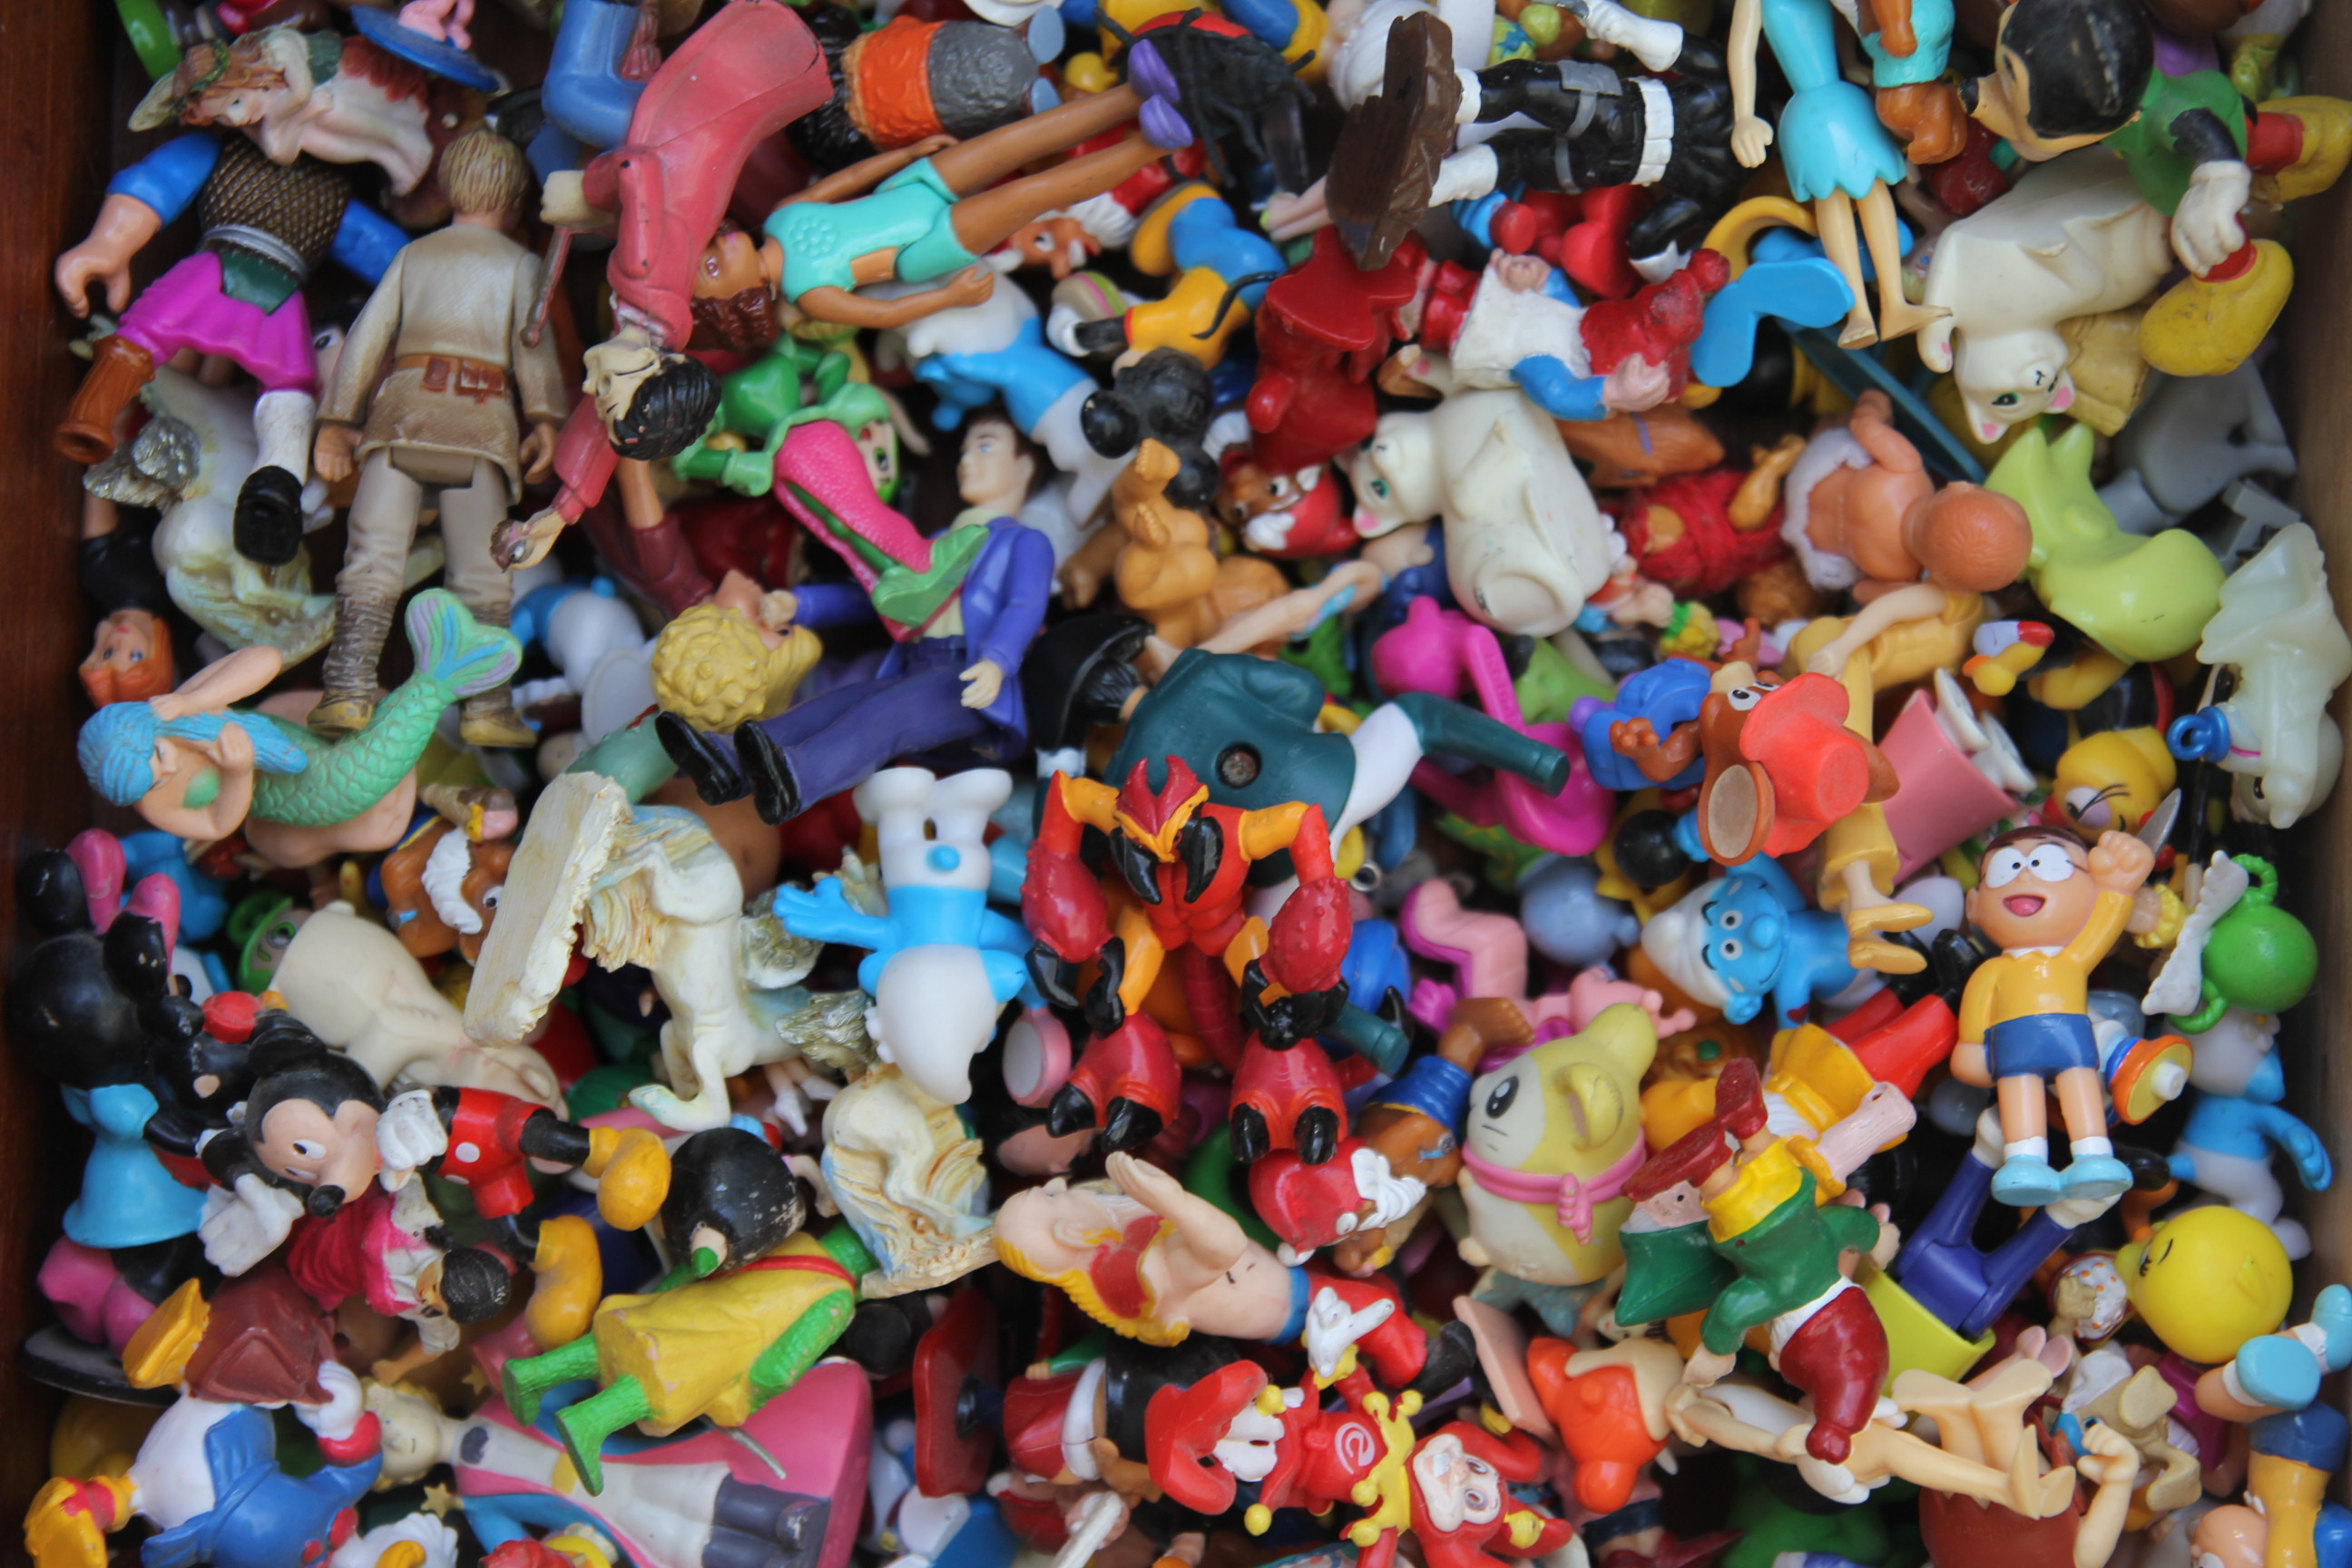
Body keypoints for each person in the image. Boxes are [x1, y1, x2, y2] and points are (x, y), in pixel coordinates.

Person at [310, 128, 566, 747]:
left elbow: (365, 341)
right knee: (482, 572)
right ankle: (487, 705)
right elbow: (533, 348)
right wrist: (545, 419)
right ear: (513, 199)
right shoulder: (521, 265)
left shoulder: (414, 256)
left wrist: (338, 418)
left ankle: (346, 690)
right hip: (478, 426)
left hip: (402, 418)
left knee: (370, 556)